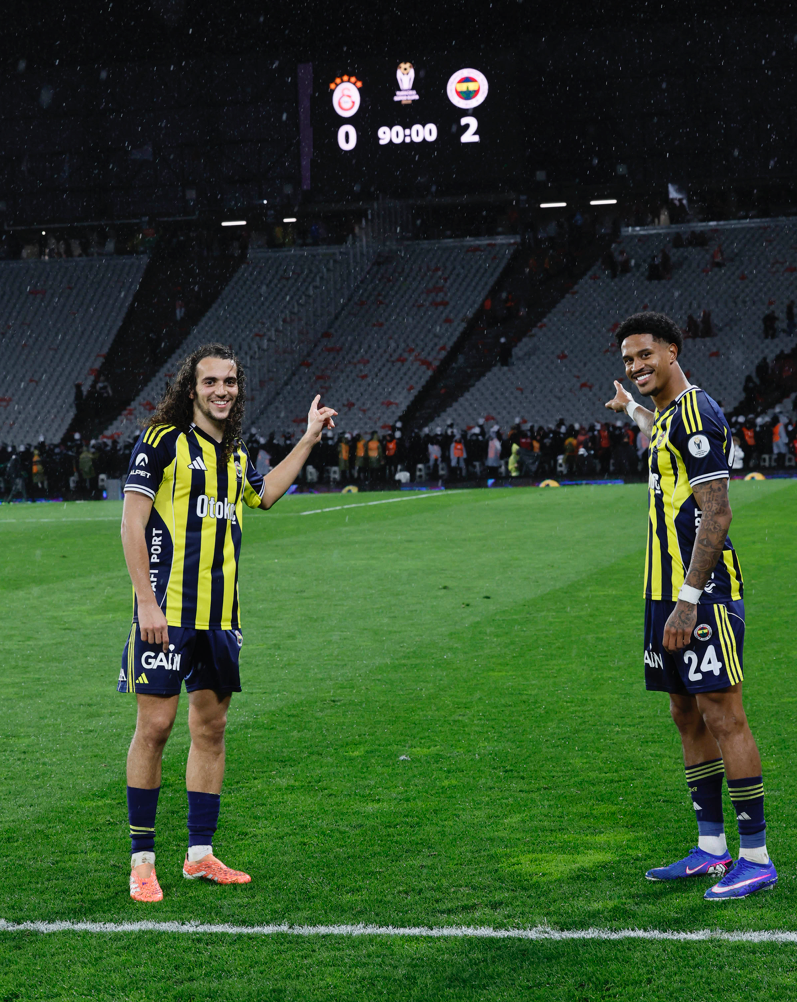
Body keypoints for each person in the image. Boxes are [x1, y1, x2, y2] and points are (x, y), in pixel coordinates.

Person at [118, 343, 336, 903]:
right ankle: (142, 861)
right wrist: (146, 603)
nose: (221, 391)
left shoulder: (234, 455)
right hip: (167, 614)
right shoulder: (162, 441)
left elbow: (264, 495)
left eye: (230, 382)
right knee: (156, 728)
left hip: (221, 618)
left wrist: (309, 437)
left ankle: (199, 855)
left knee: (210, 731)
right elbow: (132, 522)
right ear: (191, 389)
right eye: (211, 381)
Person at [605, 311, 776, 900]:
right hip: (662, 591)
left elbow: (718, 511)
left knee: (724, 714)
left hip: (700, 595)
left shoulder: (699, 412)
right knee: (685, 714)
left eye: (645, 354)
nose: (637, 365)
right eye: (628, 359)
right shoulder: (671, 416)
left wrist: (689, 601)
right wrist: (631, 409)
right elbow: (661, 434)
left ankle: (756, 856)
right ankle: (711, 848)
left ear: (672, 351)